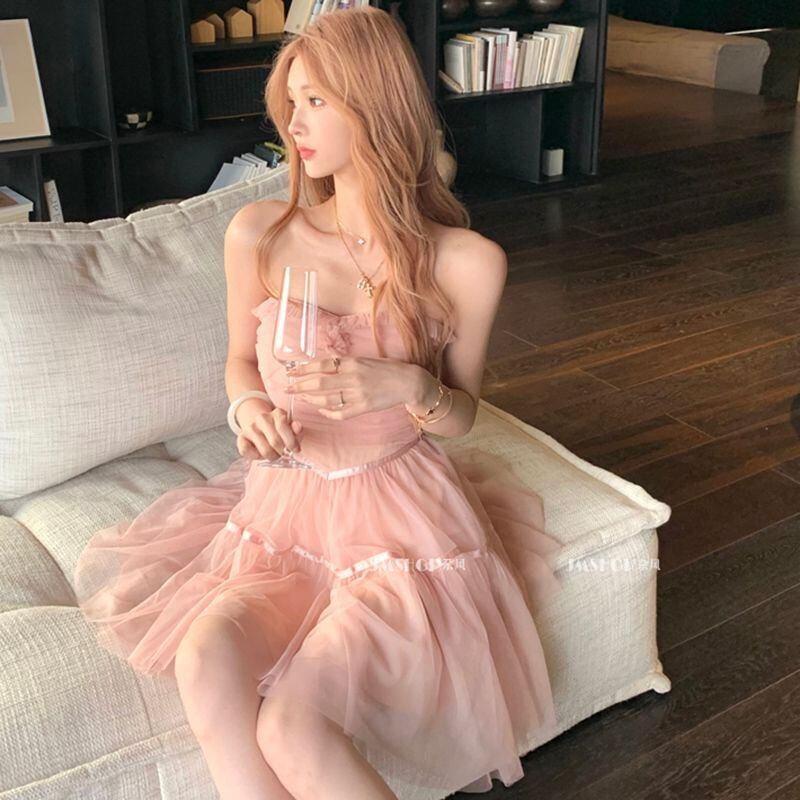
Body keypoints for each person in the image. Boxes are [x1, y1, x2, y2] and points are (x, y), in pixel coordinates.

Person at [73, 7, 564, 800]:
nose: (291, 124)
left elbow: (463, 414)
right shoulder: (260, 233)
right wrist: (246, 411)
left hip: (399, 520)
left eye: (314, 102)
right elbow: (241, 363)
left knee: (292, 726)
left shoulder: (468, 261)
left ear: (374, 107)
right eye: (289, 103)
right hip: (283, 507)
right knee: (204, 657)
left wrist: (411, 386)